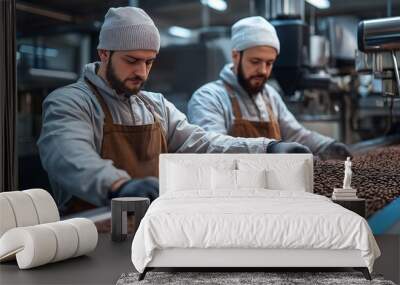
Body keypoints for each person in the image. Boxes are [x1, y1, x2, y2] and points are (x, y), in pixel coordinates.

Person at [37, 7, 310, 212]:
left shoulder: (155, 105)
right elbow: (69, 156)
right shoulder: (71, 102)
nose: (141, 72)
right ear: (104, 53)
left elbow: (205, 142)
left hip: (151, 225)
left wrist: (266, 148)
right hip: (93, 231)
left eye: (149, 62)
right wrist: (119, 186)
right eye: (132, 61)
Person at [187, 16, 351, 161]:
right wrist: (269, 148)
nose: (263, 71)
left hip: (276, 188)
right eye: (255, 62)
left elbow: (296, 134)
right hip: (231, 190)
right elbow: (211, 147)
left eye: (269, 63)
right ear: (236, 56)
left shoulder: (269, 96)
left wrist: (327, 145)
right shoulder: (208, 97)